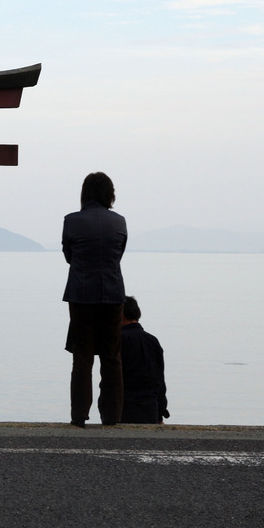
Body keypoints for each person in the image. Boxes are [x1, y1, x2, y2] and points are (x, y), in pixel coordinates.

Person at [62, 171, 127, 427]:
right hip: (112, 292)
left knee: (82, 357)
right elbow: (118, 255)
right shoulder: (120, 222)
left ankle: (79, 416)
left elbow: (69, 255)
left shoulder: (71, 221)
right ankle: (112, 417)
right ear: (109, 194)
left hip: (80, 293)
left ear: (84, 193)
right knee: (112, 357)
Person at [120, 296, 169, 424]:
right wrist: (160, 413)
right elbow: (159, 380)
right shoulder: (152, 341)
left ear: (121, 314)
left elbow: (111, 379)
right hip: (150, 407)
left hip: (123, 407)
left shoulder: (118, 340)